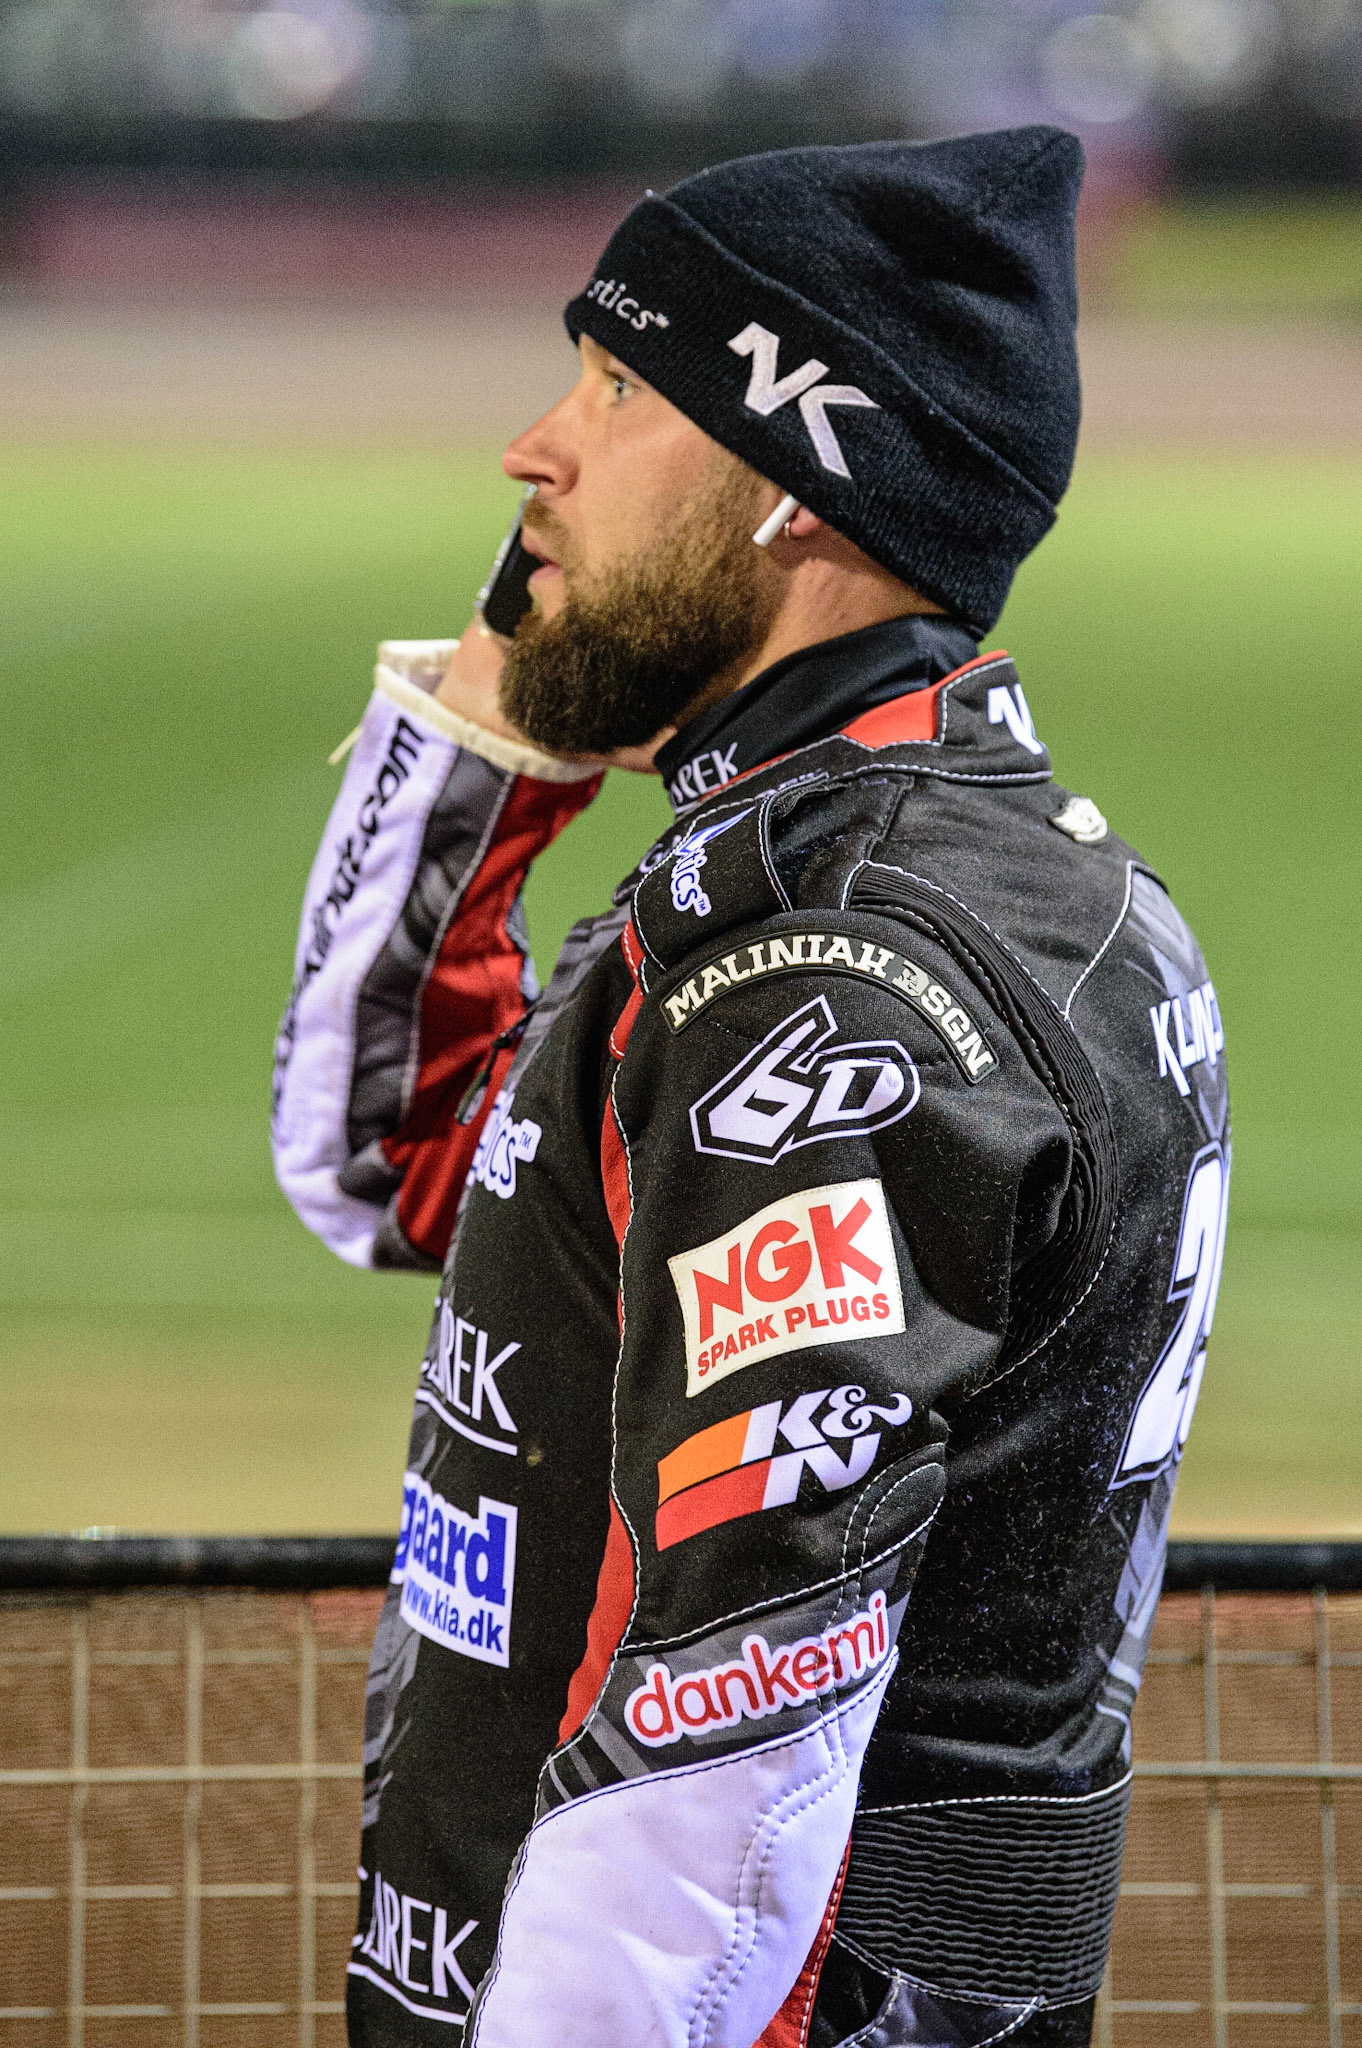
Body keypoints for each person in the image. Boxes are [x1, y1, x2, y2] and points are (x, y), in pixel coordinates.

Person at [273, 127, 1230, 2048]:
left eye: (617, 392)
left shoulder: (844, 977)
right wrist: (499, 720)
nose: (531, 449)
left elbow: (725, 1743)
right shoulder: (819, 870)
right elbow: (388, 1167)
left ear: (799, 482)